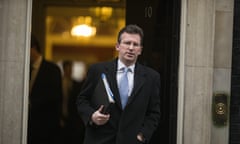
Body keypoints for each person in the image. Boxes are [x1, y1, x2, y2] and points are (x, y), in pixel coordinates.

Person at [76, 24, 161, 144]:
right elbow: (82, 100)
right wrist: (92, 116)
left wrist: (142, 135)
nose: (131, 48)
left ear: (140, 50)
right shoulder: (97, 70)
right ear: (117, 46)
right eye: (127, 43)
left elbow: (154, 113)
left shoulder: (152, 77)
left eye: (135, 44)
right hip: (99, 139)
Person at [28, 34, 63, 144]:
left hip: (45, 126)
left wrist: (31, 103)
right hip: (28, 127)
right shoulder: (25, 69)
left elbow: (55, 96)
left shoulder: (52, 70)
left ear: (33, 49)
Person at [60, 60, 85, 144]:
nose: (69, 71)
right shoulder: (59, 83)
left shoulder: (77, 84)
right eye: (67, 69)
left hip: (74, 119)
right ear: (64, 69)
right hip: (61, 117)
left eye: (71, 69)